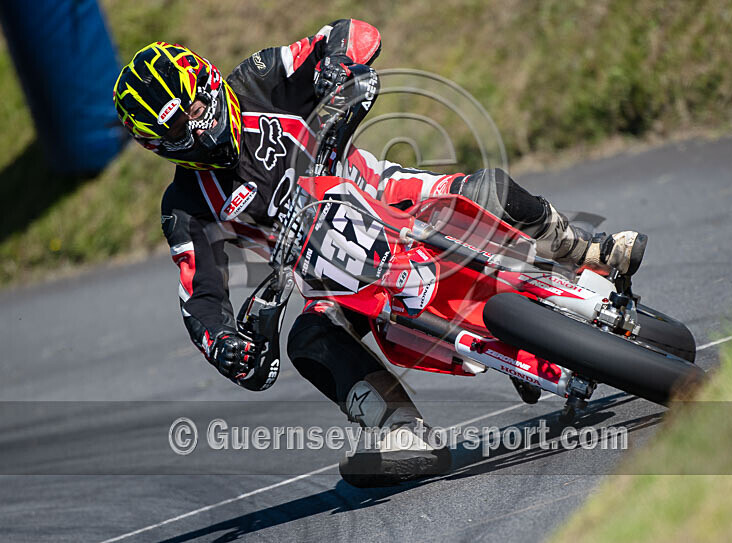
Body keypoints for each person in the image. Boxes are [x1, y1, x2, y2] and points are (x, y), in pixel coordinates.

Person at [113, 19, 646, 486]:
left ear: (209, 81)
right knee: (308, 336)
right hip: (327, 272)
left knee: (489, 188)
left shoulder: (261, 78)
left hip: (385, 195)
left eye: (199, 105)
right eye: (180, 129)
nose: (199, 125)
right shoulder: (184, 207)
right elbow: (199, 300)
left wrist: (338, 65)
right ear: (159, 145)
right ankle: (399, 430)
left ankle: (590, 252)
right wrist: (225, 343)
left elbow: (353, 33)